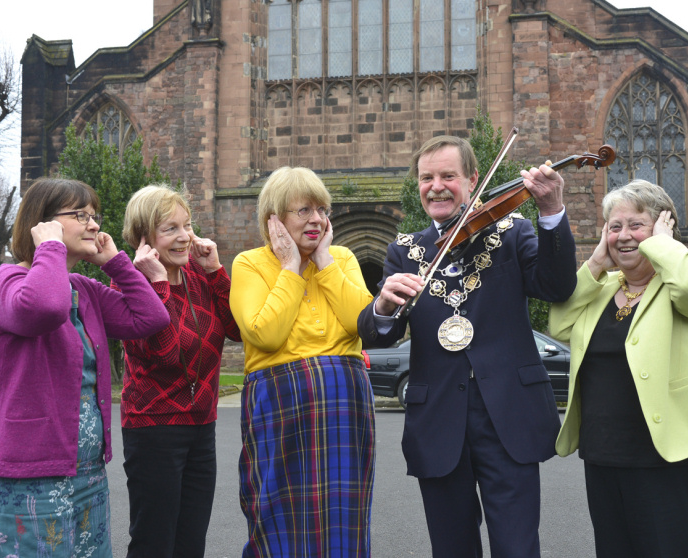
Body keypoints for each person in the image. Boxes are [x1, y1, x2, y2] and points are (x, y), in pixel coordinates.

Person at [357, 135, 577, 557]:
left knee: (517, 547)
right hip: (438, 418)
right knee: (451, 548)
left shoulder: (512, 231)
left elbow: (556, 285)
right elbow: (378, 334)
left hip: (507, 413)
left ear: (473, 180)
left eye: (448, 176)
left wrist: (550, 211)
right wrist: (383, 303)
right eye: (426, 178)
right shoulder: (405, 251)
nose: (436, 186)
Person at [548, 179, 688, 558]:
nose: (624, 236)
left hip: (675, 455)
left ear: (661, 226)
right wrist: (594, 263)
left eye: (636, 225)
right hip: (605, 455)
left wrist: (661, 245)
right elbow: (558, 323)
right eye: (615, 226)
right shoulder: (601, 288)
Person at [0, 178, 170, 558]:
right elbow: (43, 308)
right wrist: (48, 247)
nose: (94, 224)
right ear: (42, 223)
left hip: (85, 476)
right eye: (80, 215)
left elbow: (151, 318)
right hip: (25, 478)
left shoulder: (86, 290)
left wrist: (116, 263)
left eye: (94, 215)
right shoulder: (6, 282)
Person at [230, 166, 375, 557]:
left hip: (345, 404)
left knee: (345, 513)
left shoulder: (341, 258)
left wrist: (324, 261)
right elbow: (265, 334)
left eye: (322, 210)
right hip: (279, 402)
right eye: (303, 210)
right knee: (275, 510)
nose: (316, 219)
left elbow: (361, 321)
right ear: (273, 219)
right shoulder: (249, 264)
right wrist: (290, 267)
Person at [118, 184, 241, 558]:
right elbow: (167, 352)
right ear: (144, 238)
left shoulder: (199, 275)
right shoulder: (128, 283)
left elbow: (237, 329)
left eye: (187, 225)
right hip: (154, 429)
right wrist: (157, 282)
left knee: (191, 542)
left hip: (201, 426)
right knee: (154, 542)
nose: (185, 237)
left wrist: (217, 270)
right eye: (170, 228)